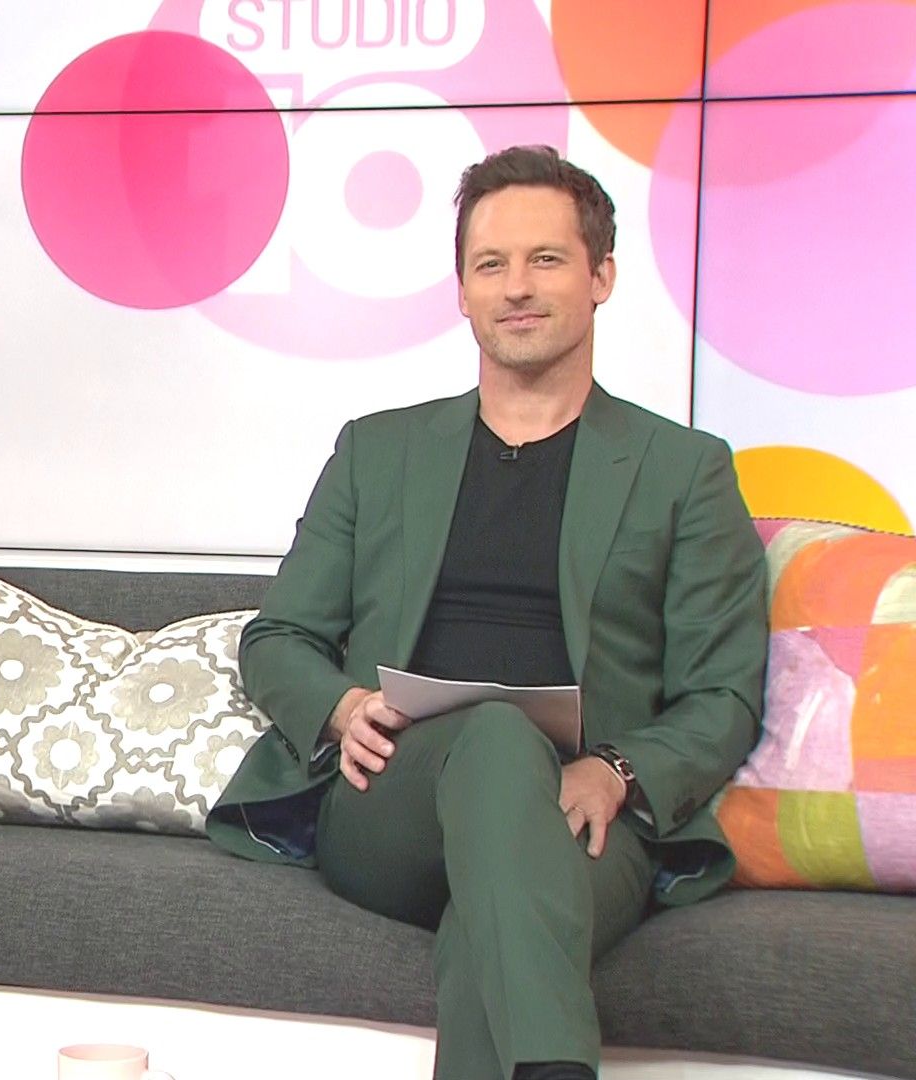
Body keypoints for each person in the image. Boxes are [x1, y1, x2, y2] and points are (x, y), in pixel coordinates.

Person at [206, 146, 768, 1080]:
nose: (517, 288)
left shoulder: (684, 471)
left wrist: (619, 772)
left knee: (496, 921)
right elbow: (279, 637)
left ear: (601, 277)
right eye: (490, 264)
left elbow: (724, 693)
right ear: (462, 293)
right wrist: (341, 708)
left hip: (581, 806)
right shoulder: (377, 452)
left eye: (546, 259)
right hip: (393, 799)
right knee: (499, 737)